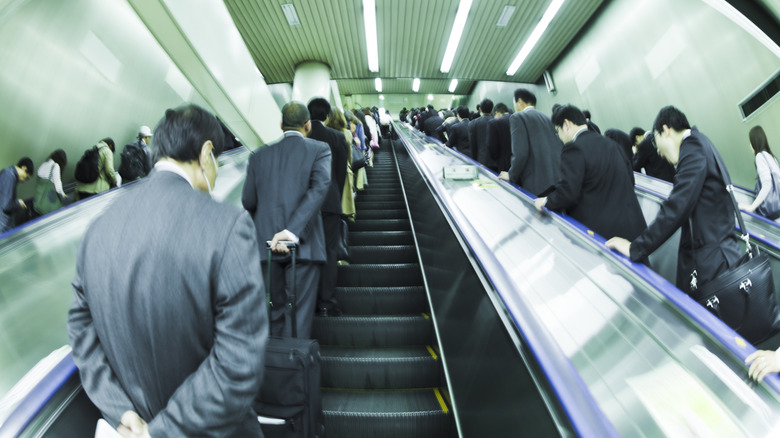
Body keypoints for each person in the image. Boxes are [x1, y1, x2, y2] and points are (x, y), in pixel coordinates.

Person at [68, 104, 268, 437]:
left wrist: (122, 409)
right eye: (216, 159)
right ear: (206, 154)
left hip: (128, 424)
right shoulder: (228, 226)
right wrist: (160, 431)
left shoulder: (99, 227)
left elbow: (80, 327)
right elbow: (239, 364)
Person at [606, 106, 742, 295]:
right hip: (716, 260)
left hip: (715, 265)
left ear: (666, 130)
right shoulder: (701, 143)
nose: (659, 153)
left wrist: (635, 248)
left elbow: (676, 206)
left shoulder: (693, 148)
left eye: (656, 141)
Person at [243, 101, 331, 336]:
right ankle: (293, 369)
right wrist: (292, 231)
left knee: (271, 317)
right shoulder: (320, 150)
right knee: (298, 319)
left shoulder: (258, 156)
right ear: (308, 126)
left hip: (266, 247)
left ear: (281, 124)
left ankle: (271, 369)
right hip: (304, 248)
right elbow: (319, 189)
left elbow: (247, 201)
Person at [535, 105, 646, 240]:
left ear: (566, 124)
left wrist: (546, 202)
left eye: (558, 131)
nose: (559, 137)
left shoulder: (573, 149)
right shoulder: (611, 144)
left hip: (604, 234)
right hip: (634, 228)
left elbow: (568, 193)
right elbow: (630, 179)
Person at [308, 98, 347, 317]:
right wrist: (335, 198)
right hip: (330, 201)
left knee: (307, 251)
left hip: (304, 204)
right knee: (330, 252)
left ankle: (310, 302)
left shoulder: (303, 136)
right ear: (326, 115)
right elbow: (340, 174)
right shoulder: (338, 137)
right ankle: (327, 303)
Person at [499, 88, 562, 196]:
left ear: (520, 102)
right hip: (558, 180)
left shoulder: (517, 117)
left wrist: (511, 174)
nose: (514, 107)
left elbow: (520, 152)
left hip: (537, 184)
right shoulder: (548, 117)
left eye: (514, 103)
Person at [739, 126, 780, 219]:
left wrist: (751, 207)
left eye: (751, 141)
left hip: (772, 207)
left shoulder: (760, 156)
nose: (750, 145)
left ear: (755, 142)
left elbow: (767, 184)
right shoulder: (771, 157)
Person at [0, 157, 33, 234]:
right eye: (27, 177)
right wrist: (18, 203)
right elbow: (5, 205)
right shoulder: (9, 176)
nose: (25, 181)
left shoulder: (11, 176)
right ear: (24, 168)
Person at [33, 149, 68, 216]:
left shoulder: (43, 164)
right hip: (47, 206)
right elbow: (58, 188)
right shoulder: (55, 166)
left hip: (37, 202)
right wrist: (64, 195)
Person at [486, 103, 512, 173]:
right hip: (516, 163)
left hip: (501, 163)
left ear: (496, 113)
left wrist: (495, 158)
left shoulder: (494, 123)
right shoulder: (517, 119)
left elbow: (491, 146)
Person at [469, 98, 494, 170]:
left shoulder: (473, 123)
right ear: (492, 109)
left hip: (480, 160)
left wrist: (473, 160)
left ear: (480, 109)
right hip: (496, 162)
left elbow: (472, 145)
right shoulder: (497, 122)